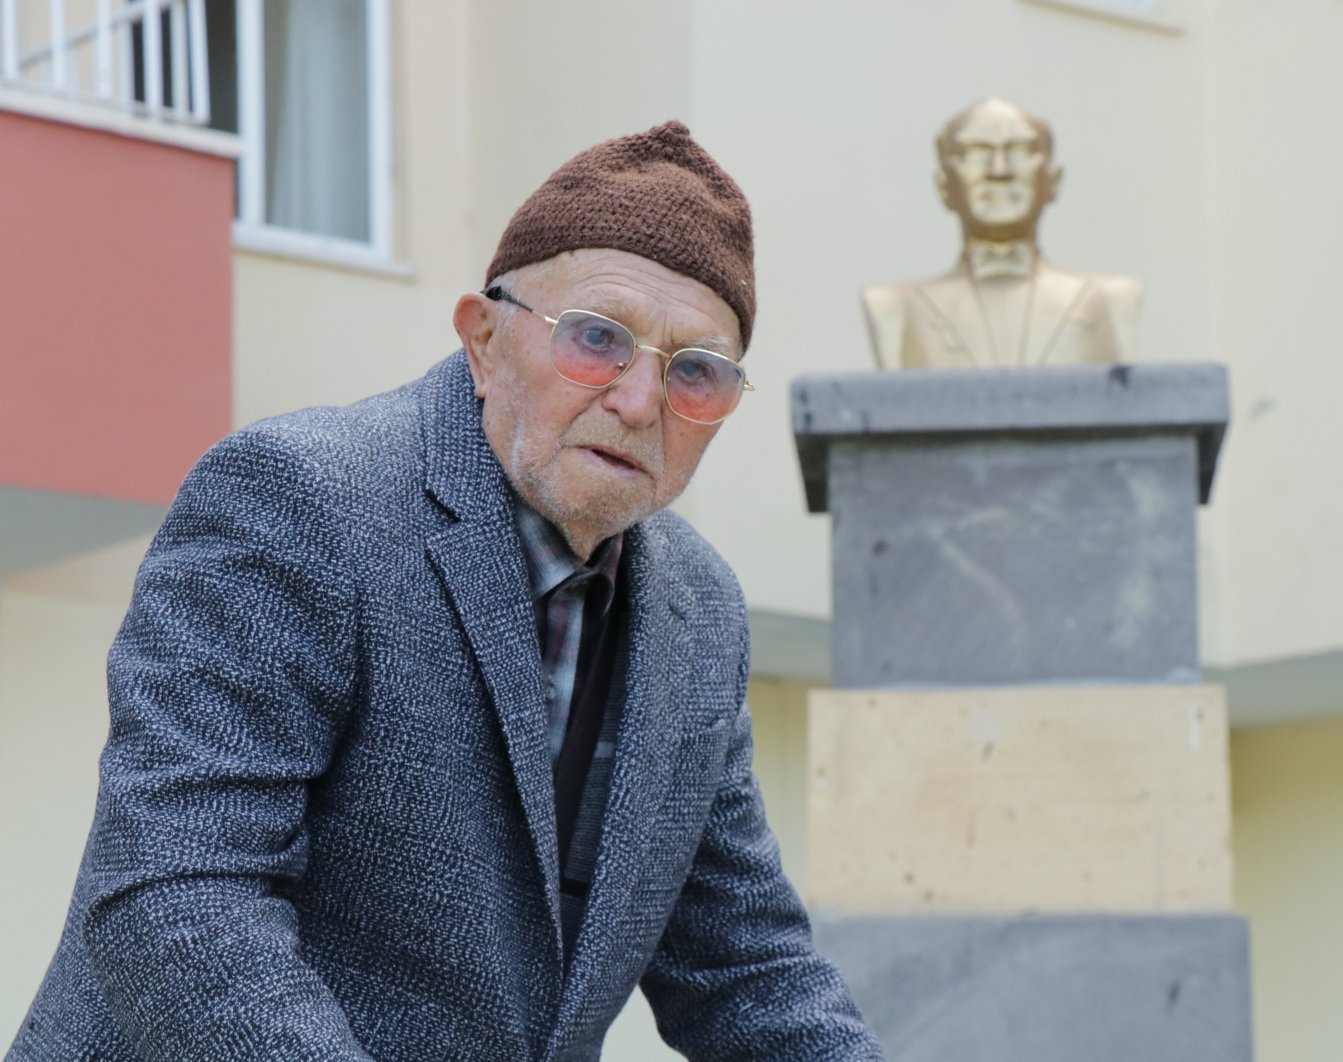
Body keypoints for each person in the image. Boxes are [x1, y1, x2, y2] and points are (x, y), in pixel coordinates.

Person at [8, 121, 882, 1061]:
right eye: (598, 339)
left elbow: (750, 974)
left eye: (696, 373)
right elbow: (177, 891)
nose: (639, 400)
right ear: (482, 338)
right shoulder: (298, 498)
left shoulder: (699, 613)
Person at [862, 96, 1142, 370]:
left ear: (1053, 181)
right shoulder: (894, 308)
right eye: (976, 152)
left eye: (1020, 151)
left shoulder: (1109, 301)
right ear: (944, 187)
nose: (999, 170)